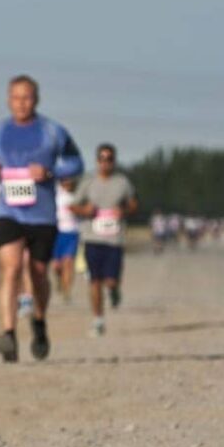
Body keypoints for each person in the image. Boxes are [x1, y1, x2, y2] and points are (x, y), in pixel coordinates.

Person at [0, 75, 83, 362]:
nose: (21, 103)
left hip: (42, 215)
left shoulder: (53, 131)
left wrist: (51, 173)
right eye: (15, 97)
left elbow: (76, 162)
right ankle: (9, 334)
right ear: (7, 99)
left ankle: (39, 323)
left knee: (38, 274)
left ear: (36, 100)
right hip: (9, 212)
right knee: (11, 269)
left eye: (26, 97)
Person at [72, 144, 137, 336]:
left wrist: (123, 211)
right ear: (97, 160)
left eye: (109, 159)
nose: (105, 162)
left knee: (110, 280)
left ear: (114, 161)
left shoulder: (122, 182)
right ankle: (98, 320)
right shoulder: (88, 181)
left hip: (114, 239)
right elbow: (73, 205)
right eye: (102, 158)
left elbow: (134, 204)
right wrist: (85, 210)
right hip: (92, 237)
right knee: (94, 281)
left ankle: (114, 290)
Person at [52, 178, 81, 302]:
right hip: (56, 232)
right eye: (66, 179)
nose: (68, 182)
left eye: (71, 180)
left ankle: (67, 291)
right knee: (57, 266)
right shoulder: (55, 191)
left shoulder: (78, 194)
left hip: (72, 233)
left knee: (68, 263)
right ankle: (60, 280)